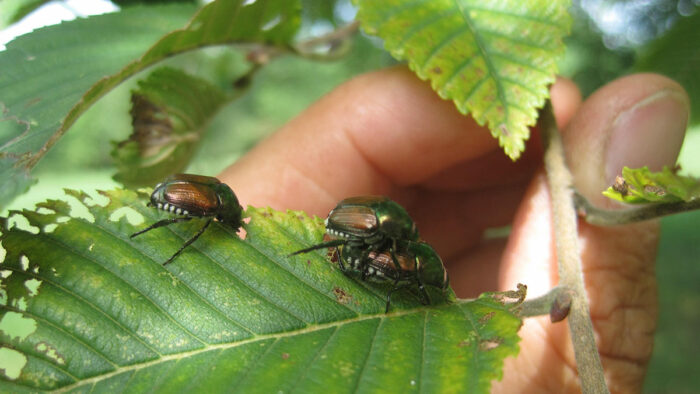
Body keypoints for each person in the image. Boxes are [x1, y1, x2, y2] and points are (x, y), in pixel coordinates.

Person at [219, 67, 689, 393]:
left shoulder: (397, 233)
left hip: (361, 229)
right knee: (369, 259)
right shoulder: (382, 228)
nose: (404, 243)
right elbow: (369, 241)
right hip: (347, 224)